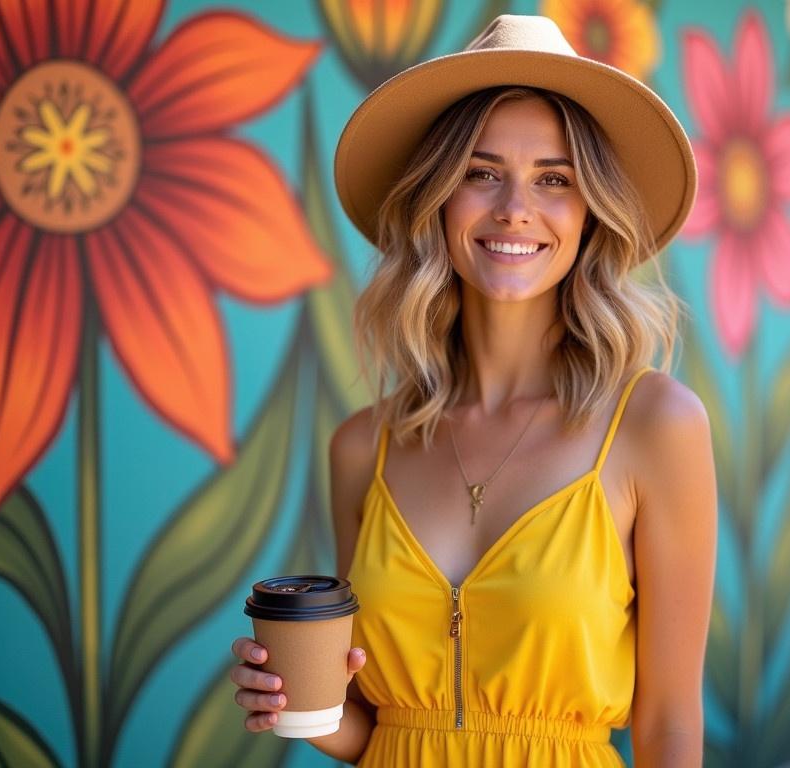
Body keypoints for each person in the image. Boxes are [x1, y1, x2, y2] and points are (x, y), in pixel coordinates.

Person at [230, 14, 716, 767]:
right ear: (437, 201)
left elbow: (671, 728)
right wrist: (307, 712)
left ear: (590, 216)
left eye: (554, 179)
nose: (515, 207)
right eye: (481, 172)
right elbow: (379, 731)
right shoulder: (364, 447)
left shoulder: (655, 427)